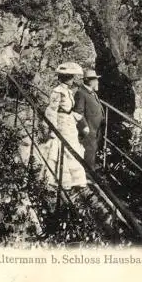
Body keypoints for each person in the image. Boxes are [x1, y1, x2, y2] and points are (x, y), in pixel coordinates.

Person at [43, 62, 89, 191]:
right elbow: (51, 111)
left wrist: (76, 117)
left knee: (74, 148)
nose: (72, 80)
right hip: (61, 123)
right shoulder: (57, 91)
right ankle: (65, 180)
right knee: (67, 150)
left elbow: (69, 108)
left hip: (69, 122)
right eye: (70, 77)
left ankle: (77, 180)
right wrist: (53, 129)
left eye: (72, 77)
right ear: (64, 78)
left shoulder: (67, 91)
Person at [74, 68, 105, 172]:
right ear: (89, 81)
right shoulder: (81, 93)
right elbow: (79, 112)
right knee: (89, 153)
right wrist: (84, 127)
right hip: (89, 130)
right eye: (96, 79)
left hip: (95, 129)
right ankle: (89, 177)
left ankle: (91, 173)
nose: (97, 82)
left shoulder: (91, 92)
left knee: (92, 152)